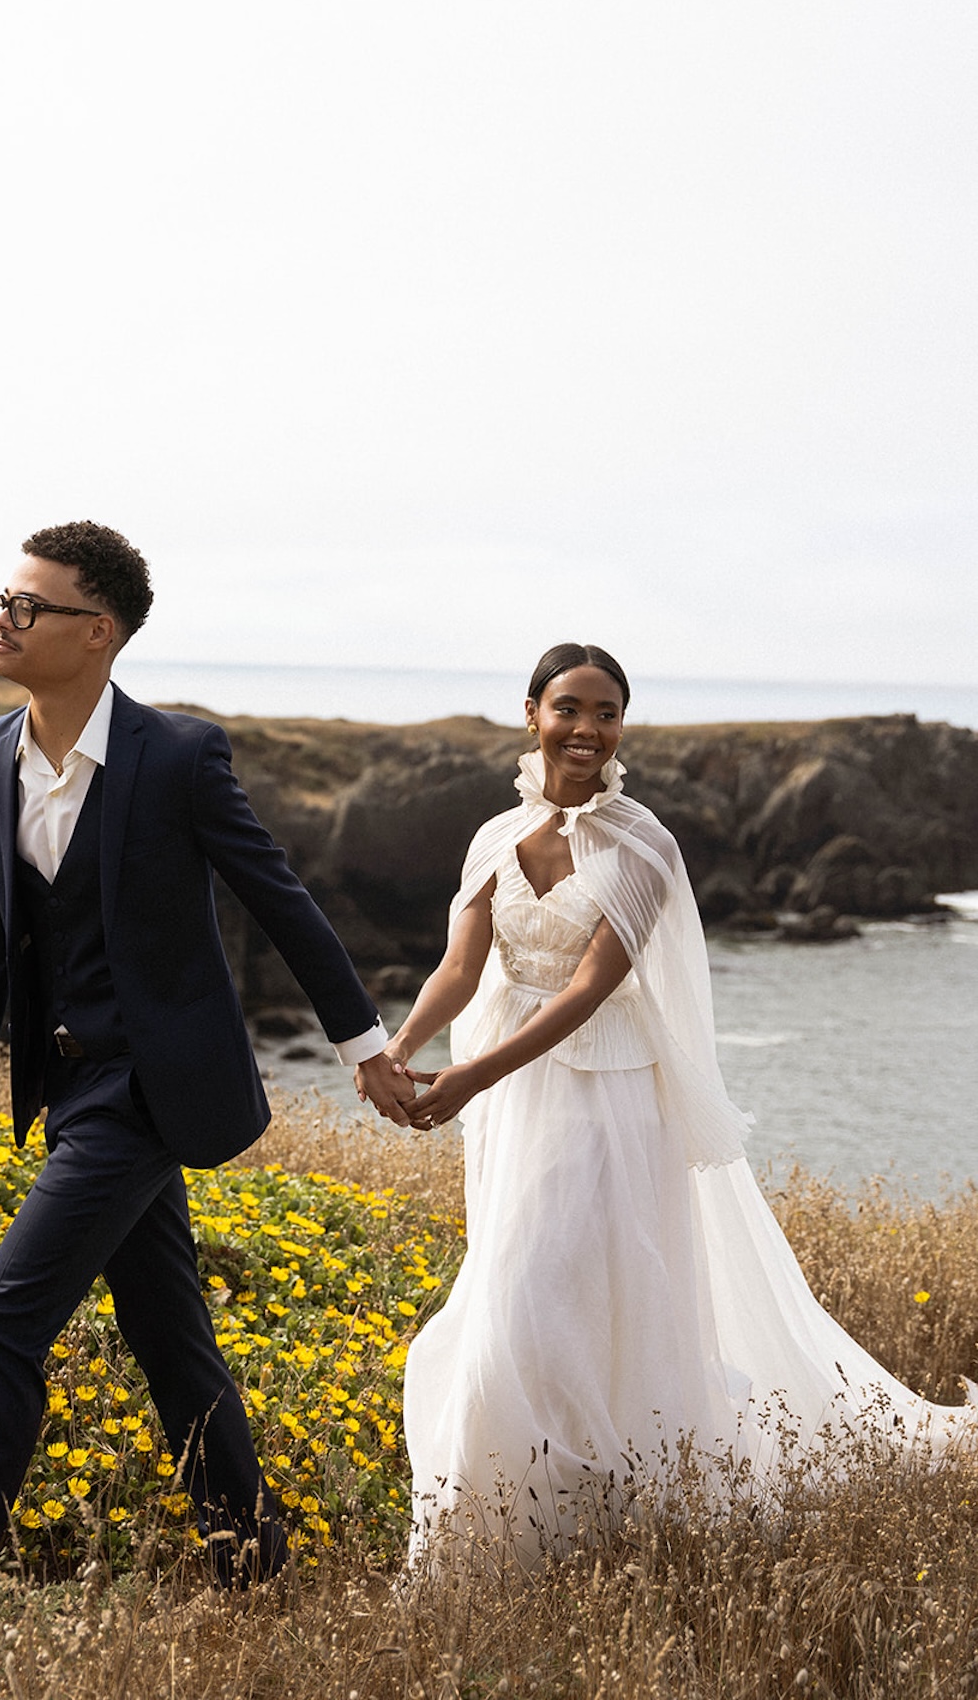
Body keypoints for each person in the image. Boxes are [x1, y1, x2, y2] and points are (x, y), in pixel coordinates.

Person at [0, 520, 416, 1656]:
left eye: (28, 604)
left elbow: (278, 899)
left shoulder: (179, 756)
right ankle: (256, 1573)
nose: (3, 615)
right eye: (2, 595)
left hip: (151, 1089)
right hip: (69, 1090)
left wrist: (361, 1048)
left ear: (98, 632)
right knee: (171, 1343)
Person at [387, 642, 977, 1570]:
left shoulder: (641, 844)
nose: (587, 729)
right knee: (525, 1279)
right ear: (532, 712)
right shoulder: (495, 838)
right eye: (570, 708)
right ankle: (523, 1517)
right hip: (515, 1096)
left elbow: (587, 990)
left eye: (608, 712)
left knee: (547, 1289)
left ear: (623, 725)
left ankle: (585, 1508)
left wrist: (468, 1079)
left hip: (609, 1096)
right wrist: (397, 1049)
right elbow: (462, 968)